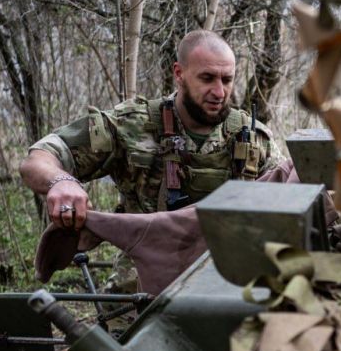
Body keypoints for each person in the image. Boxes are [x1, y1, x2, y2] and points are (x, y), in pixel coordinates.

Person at [20, 30, 275, 230]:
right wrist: (61, 182)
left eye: (227, 80)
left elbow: (288, 186)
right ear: (179, 73)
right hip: (145, 271)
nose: (219, 92)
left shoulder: (251, 136)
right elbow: (39, 158)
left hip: (227, 269)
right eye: (207, 78)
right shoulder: (132, 125)